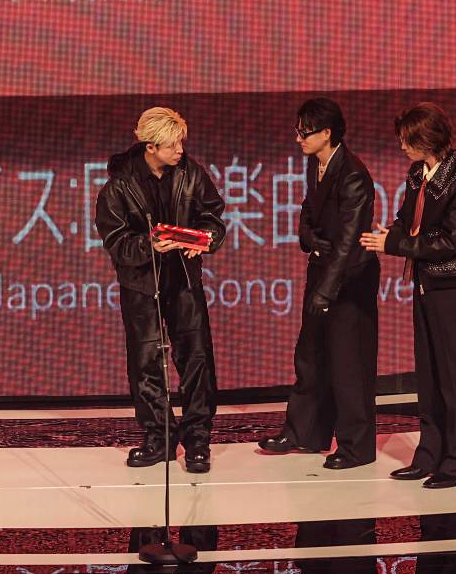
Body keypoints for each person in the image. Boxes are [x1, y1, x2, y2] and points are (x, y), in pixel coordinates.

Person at [360, 102, 456, 489]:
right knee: (428, 376)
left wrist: (395, 244)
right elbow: (406, 219)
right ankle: (429, 454)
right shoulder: (418, 174)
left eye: (407, 139)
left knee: (455, 379)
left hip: (452, 288)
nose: (401, 146)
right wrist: (391, 234)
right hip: (426, 284)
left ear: (426, 139)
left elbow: (450, 242)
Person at [95, 107, 226, 473]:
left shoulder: (191, 173)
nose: (180, 150)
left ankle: (198, 441)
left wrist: (205, 238)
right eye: (172, 145)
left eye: (181, 142)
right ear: (150, 146)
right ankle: (159, 438)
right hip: (141, 284)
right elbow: (117, 242)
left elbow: (213, 215)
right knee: (146, 363)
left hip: (184, 279)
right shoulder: (119, 186)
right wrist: (148, 245)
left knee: (197, 359)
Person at [258, 97, 380, 470]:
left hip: (349, 277)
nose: (298, 138)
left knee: (348, 363)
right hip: (322, 268)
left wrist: (326, 291)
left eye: (304, 132)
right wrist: (307, 235)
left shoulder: (353, 174)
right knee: (310, 355)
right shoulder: (316, 163)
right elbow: (309, 208)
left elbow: (348, 242)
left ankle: (356, 446)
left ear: (327, 133)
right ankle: (304, 432)